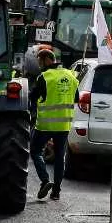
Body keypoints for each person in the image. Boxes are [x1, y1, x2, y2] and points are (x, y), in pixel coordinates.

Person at [30, 46, 78, 201]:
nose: (39, 65)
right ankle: (56, 191)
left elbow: (32, 98)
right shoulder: (71, 76)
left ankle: (45, 180)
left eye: (40, 61)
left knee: (36, 151)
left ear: (46, 60)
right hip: (64, 125)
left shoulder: (44, 77)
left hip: (45, 124)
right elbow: (76, 98)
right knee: (59, 157)